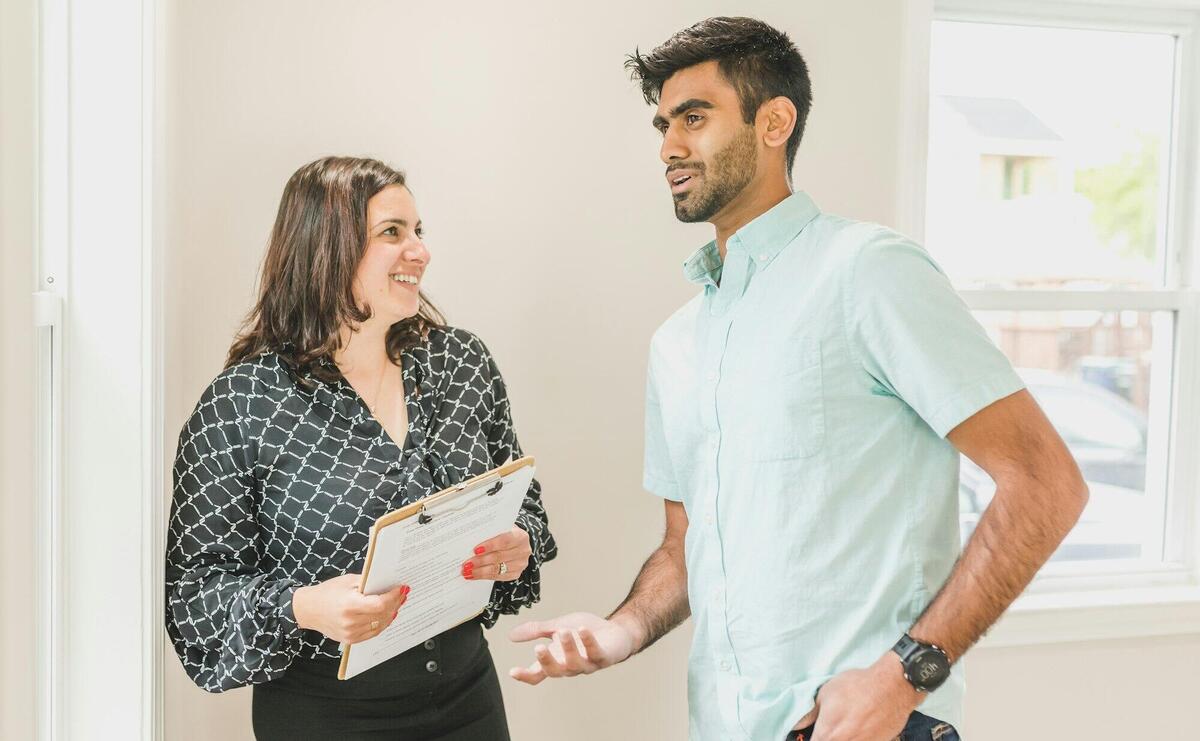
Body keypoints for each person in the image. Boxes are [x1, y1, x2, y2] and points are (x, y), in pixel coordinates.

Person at [509, 17, 1087, 741]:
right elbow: (687, 543)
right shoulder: (678, 343)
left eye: (694, 117)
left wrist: (905, 675)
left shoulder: (868, 273)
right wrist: (618, 631)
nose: (669, 146)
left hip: (870, 725)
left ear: (774, 121)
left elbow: (1047, 483)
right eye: (663, 124)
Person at [165, 156, 556, 740]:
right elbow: (194, 598)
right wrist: (302, 607)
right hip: (326, 718)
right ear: (326, 248)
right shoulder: (241, 404)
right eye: (392, 233)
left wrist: (518, 542)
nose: (419, 251)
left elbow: (525, 504)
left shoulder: (462, 364)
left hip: (468, 700)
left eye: (419, 232)